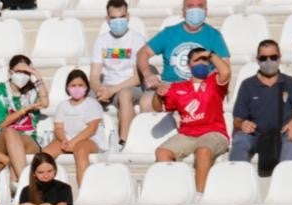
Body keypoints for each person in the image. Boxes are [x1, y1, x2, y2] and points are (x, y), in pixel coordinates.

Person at [153, 47, 231, 195]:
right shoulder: (177, 87)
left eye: (205, 60)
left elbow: (226, 72)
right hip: (188, 134)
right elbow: (158, 108)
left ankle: (199, 196)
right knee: (162, 152)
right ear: (188, 64)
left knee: (203, 151)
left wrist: (211, 54)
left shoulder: (214, 81)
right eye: (197, 60)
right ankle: (175, 192)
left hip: (214, 132)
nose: (202, 63)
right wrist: (157, 95)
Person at [137, 0, 229, 112]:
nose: (195, 10)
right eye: (190, 6)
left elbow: (225, 66)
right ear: (183, 11)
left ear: (206, 11)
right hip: (170, 85)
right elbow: (143, 53)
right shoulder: (169, 33)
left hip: (200, 86)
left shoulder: (214, 35)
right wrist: (148, 73)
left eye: (200, 6)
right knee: (146, 101)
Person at [230, 40, 292, 173]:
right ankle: (236, 181)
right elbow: (237, 118)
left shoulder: (290, 82)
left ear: (280, 58)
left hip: (283, 131)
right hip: (255, 134)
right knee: (240, 140)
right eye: (263, 58)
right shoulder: (247, 85)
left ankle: (286, 180)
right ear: (258, 60)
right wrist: (242, 124)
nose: (269, 61)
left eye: (273, 57)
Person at [91, 0, 146, 150]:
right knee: (83, 95)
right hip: (107, 88)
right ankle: (88, 141)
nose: (118, 21)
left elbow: (137, 78)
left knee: (124, 94)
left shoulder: (137, 40)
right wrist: (99, 90)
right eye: (114, 18)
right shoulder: (101, 41)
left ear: (128, 17)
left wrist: (112, 90)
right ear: (107, 19)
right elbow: (94, 76)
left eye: (121, 17)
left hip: (130, 86)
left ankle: (123, 142)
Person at [0, 55, 48, 183]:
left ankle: (18, 185)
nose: (23, 75)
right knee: (10, 131)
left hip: (27, 138)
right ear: (11, 72)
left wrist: (37, 75)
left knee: (15, 150)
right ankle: (25, 183)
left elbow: (45, 103)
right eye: (19, 71)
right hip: (1, 138)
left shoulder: (32, 91)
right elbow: (3, 123)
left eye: (27, 72)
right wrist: (25, 109)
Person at [43, 69, 104, 187]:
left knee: (80, 150)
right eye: (73, 85)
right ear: (67, 87)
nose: (77, 88)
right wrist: (64, 140)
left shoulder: (92, 104)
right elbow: (59, 127)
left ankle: (84, 189)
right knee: (44, 155)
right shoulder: (62, 106)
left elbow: (92, 128)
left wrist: (74, 142)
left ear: (87, 87)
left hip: (90, 140)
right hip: (67, 139)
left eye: (80, 85)